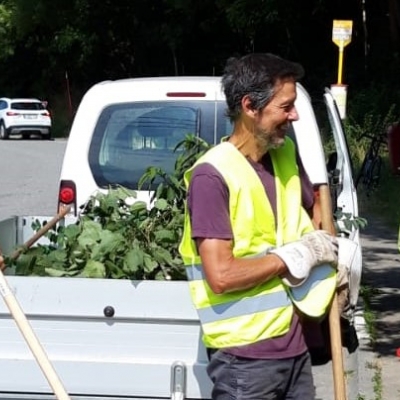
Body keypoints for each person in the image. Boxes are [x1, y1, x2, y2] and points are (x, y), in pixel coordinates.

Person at [179, 53, 339, 400]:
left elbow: (316, 222)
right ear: (250, 107)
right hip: (244, 360)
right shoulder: (211, 176)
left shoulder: (284, 154)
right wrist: (294, 257)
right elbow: (220, 276)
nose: (293, 115)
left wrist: (334, 263)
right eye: (286, 107)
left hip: (294, 346)